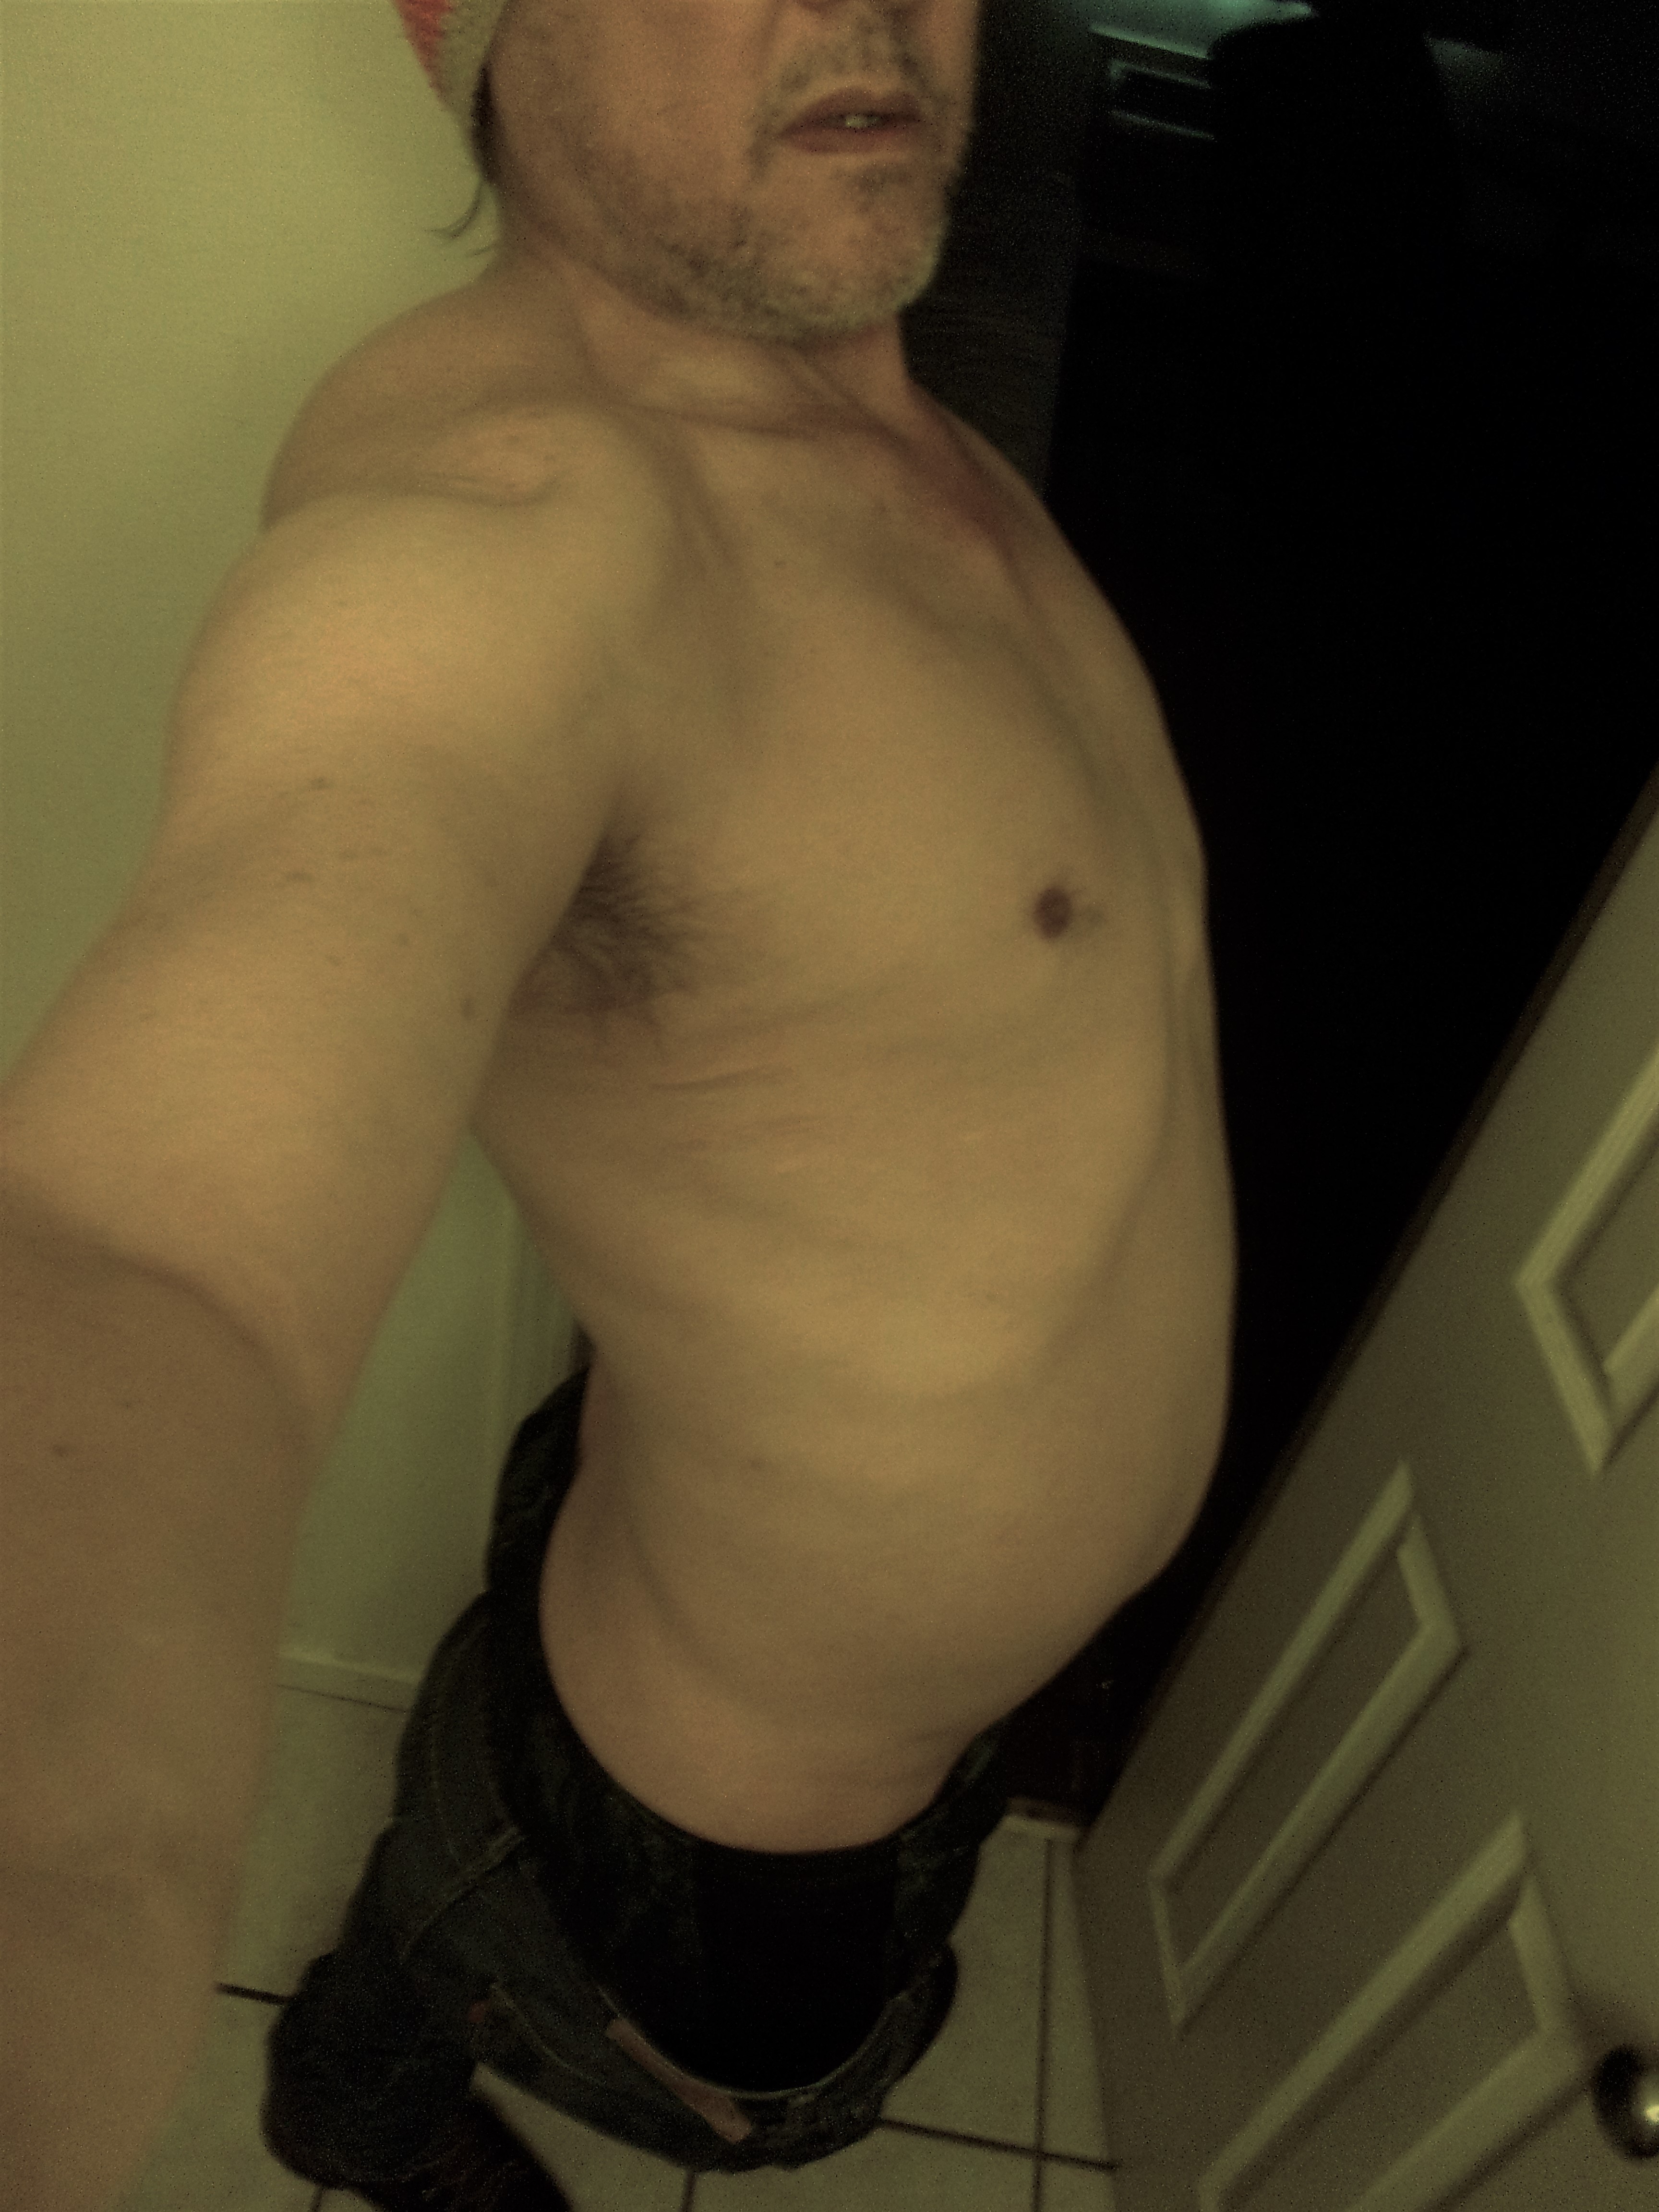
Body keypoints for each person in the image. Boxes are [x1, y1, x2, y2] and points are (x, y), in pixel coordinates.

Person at [0, 0, 1236, 2201]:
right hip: (739, 1798)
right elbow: (157, 1260)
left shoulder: (906, 406)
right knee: (748, 2085)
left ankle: (385, 2015)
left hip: (759, 1564)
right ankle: (371, 2082)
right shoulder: (520, 521)